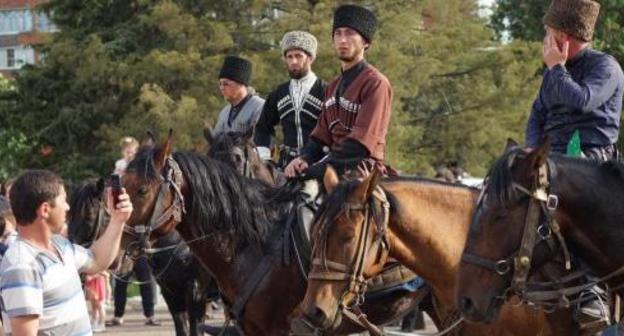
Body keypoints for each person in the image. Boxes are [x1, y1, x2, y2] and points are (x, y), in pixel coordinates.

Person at [0, 170, 132, 335]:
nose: (68, 207)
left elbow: (97, 260)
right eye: (63, 201)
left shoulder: (60, 245)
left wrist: (118, 220)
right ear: (45, 210)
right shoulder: (22, 266)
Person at [284, 4, 393, 178]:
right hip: (331, 167)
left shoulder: (376, 83)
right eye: (338, 33)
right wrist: (304, 159)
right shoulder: (332, 86)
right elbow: (320, 136)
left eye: (350, 33)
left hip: (362, 171)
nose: (343, 40)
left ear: (365, 42)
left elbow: (360, 144)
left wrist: (321, 167)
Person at [525, 0, 624, 161]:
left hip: (591, 157)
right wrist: (532, 149)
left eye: (548, 32)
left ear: (562, 36)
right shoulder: (553, 71)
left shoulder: (606, 67)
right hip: (551, 155)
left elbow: (582, 101)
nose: (545, 39)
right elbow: (537, 114)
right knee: (504, 173)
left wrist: (557, 68)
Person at [254, 31, 326, 167]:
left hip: (318, 164)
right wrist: (264, 157)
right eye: (289, 57)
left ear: (310, 58)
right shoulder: (279, 93)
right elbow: (262, 127)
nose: (293, 61)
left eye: (299, 56)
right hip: (285, 166)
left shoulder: (326, 91)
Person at [213, 56, 265, 136]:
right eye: (220, 84)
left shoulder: (260, 107)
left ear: (241, 84)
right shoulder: (224, 113)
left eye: (226, 84)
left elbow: (261, 141)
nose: (222, 88)